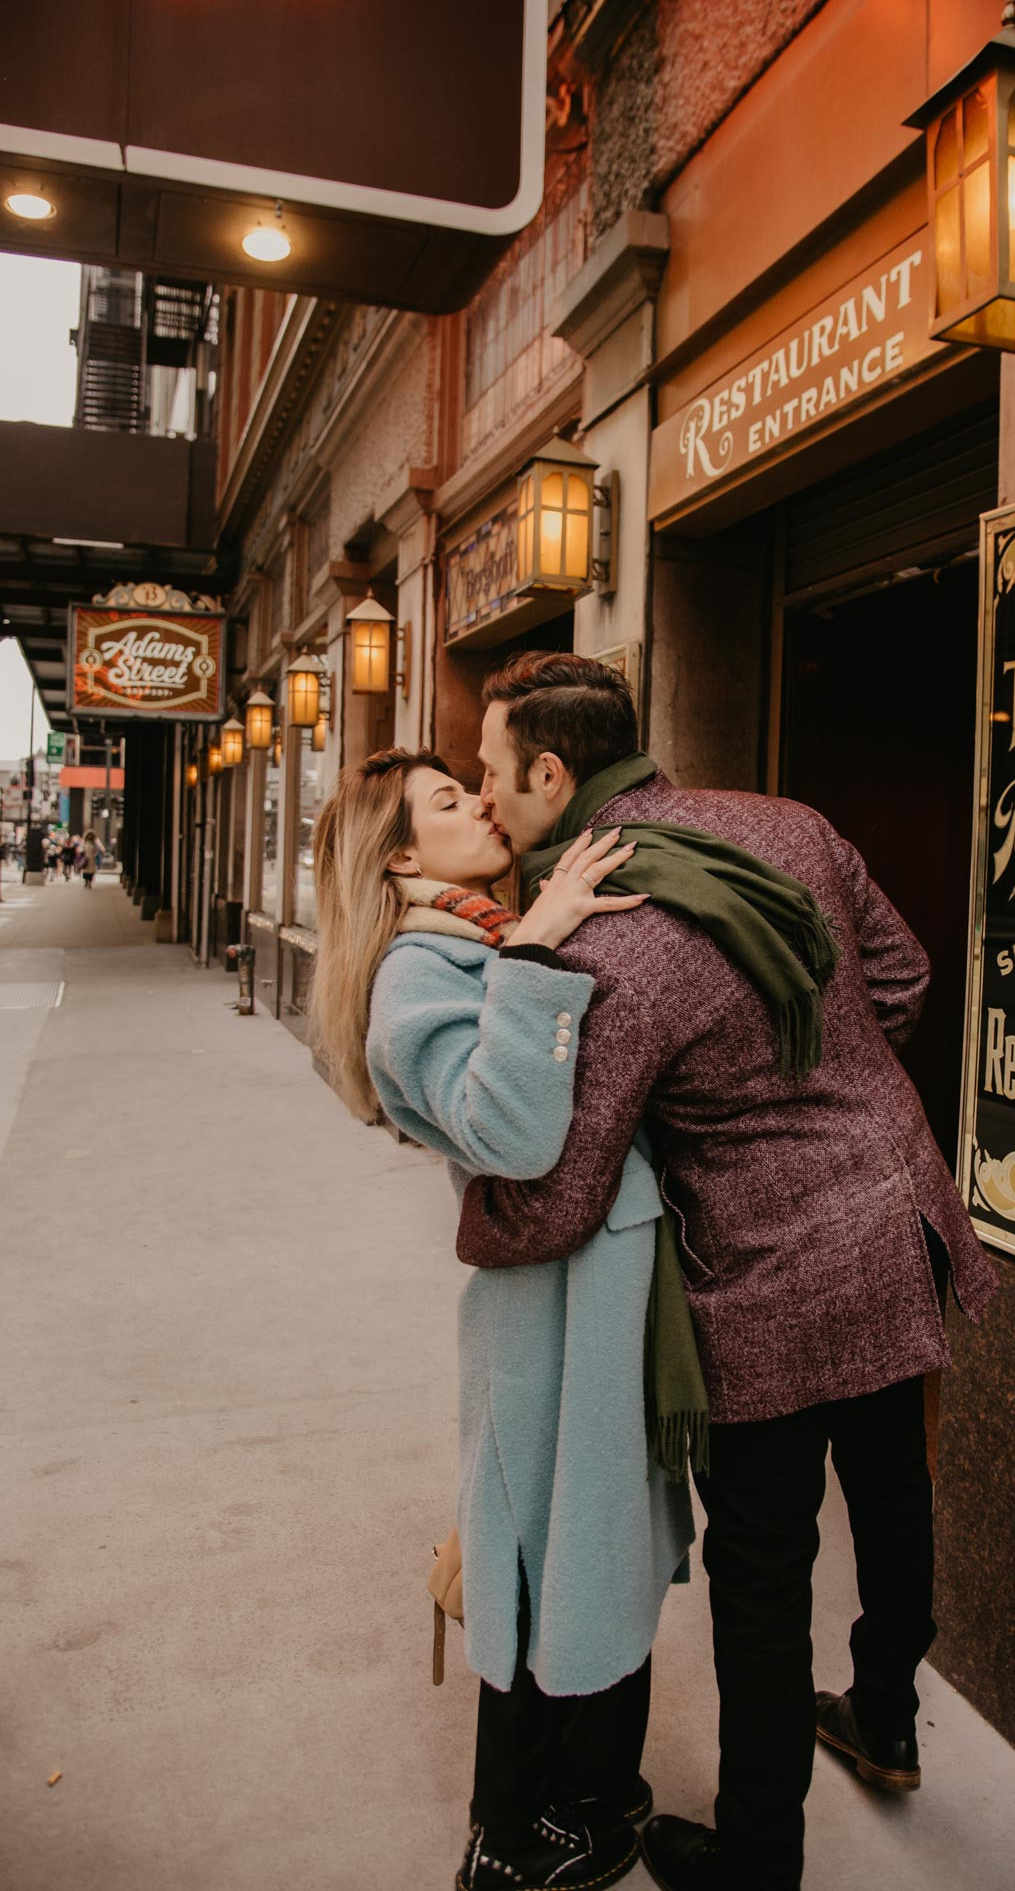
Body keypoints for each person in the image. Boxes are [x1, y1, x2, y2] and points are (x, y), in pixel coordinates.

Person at [463, 652, 1001, 1891]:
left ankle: (758, 1855)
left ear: (554, 773)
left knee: (761, 1572)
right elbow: (902, 975)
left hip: (768, 1278)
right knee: (888, 1483)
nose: (486, 802)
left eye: (494, 776)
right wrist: (823, 1085)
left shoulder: (610, 938)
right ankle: (884, 1712)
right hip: (900, 1210)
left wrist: (477, 1219)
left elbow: (564, 1185)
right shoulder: (786, 821)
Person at [308, 747, 696, 1891]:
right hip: (543, 1315)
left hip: (593, 1294)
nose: (479, 801)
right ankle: (515, 1830)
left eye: (469, 784)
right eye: (445, 800)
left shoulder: (475, 930)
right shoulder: (414, 976)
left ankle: (586, 1792)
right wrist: (536, 946)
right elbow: (515, 1133)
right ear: (398, 855)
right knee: (545, 1551)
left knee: (594, 1544)